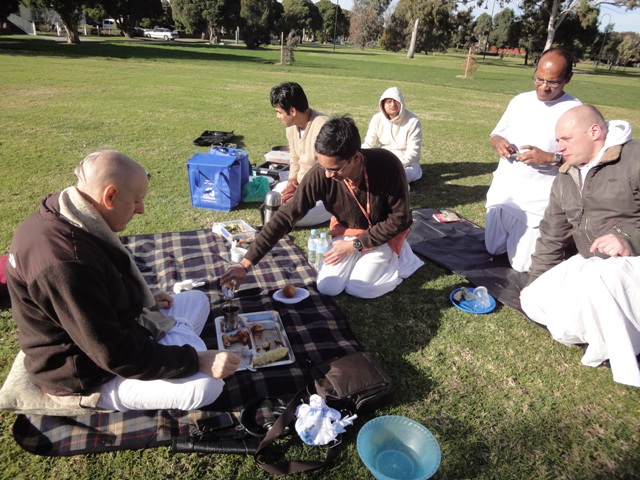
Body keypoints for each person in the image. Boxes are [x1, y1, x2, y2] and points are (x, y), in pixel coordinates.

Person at [5, 150, 240, 411]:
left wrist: (140, 301)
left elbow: (98, 288)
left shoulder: (69, 212)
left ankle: (172, 341)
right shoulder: (65, 265)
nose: (141, 210)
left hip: (112, 330)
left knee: (197, 300)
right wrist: (194, 361)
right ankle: (177, 346)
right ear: (110, 196)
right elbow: (113, 354)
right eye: (137, 200)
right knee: (207, 385)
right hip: (88, 373)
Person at [221, 116, 424, 299]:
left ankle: (401, 258)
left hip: (382, 236)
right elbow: (285, 217)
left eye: (334, 169)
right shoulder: (321, 173)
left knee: (360, 288)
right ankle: (362, 259)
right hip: (346, 232)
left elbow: (400, 219)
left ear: (355, 158)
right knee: (328, 287)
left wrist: (356, 245)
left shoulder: (387, 165)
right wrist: (245, 264)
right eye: (323, 166)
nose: (327, 175)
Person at [520, 105, 639, 387]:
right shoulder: (565, 177)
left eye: (565, 139)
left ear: (594, 131)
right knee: (532, 299)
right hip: (592, 263)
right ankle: (605, 330)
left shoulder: (634, 160)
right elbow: (552, 234)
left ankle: (626, 362)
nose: (558, 146)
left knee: (604, 276)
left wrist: (629, 242)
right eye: (558, 140)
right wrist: (536, 280)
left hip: (631, 263)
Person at [485, 48, 582, 273]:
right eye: (539, 79)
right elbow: (495, 134)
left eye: (553, 82)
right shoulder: (520, 101)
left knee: (522, 266)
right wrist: (499, 142)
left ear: (567, 79)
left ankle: (558, 240)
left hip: (537, 198)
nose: (544, 86)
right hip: (505, 191)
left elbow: (584, 159)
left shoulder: (575, 110)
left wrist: (551, 158)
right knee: (492, 249)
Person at [270, 82, 332, 227]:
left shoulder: (324, 126)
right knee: (275, 195)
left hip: (322, 196)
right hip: (300, 187)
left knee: (284, 212)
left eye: (279, 112)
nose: (277, 117)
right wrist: (292, 181)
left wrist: (300, 192)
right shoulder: (291, 127)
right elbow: (295, 158)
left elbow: (328, 173)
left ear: (292, 111)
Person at [361, 86, 423, 183]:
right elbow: (368, 145)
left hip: (407, 164)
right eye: (389, 101)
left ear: (401, 103)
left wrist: (395, 164)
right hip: (383, 158)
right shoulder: (377, 119)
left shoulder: (413, 121)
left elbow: (414, 153)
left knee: (398, 177)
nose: (392, 105)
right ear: (383, 104)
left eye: (396, 101)